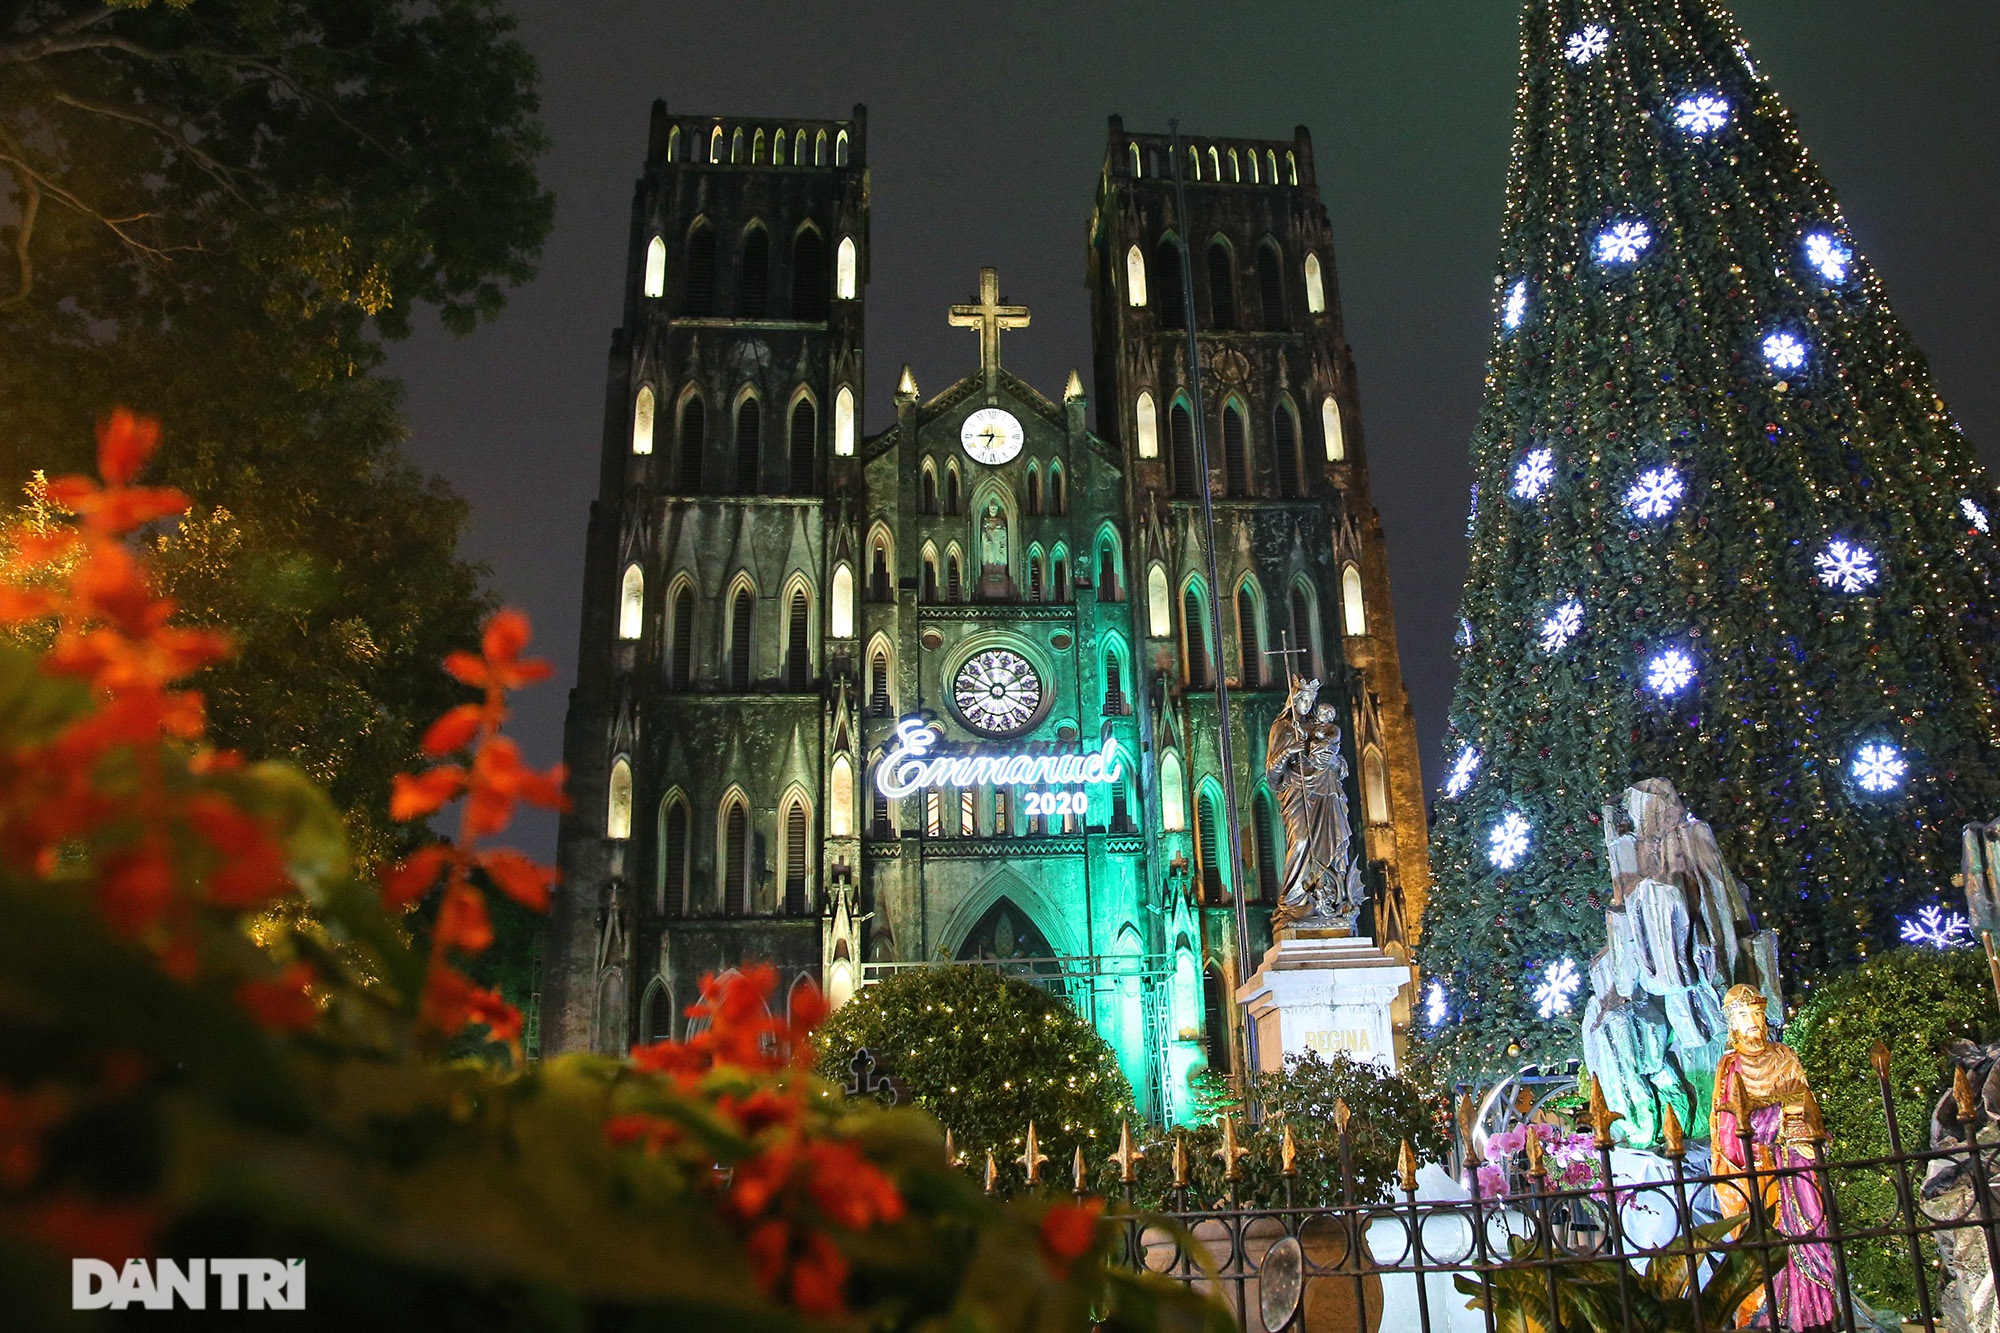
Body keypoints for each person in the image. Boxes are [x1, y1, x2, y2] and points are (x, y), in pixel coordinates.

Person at [1710, 983, 1840, 1330]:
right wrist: (1781, 1114)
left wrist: (1790, 1115)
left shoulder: (1785, 1056)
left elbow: (1807, 1104)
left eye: (1756, 1014)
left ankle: (1814, 1312)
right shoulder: (1730, 1066)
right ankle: (1771, 1316)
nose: (1752, 1022)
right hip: (1761, 1168)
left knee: (1812, 1231)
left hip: (1797, 1160)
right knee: (1767, 1240)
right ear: (1732, 1024)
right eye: (1743, 1016)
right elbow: (1730, 1124)